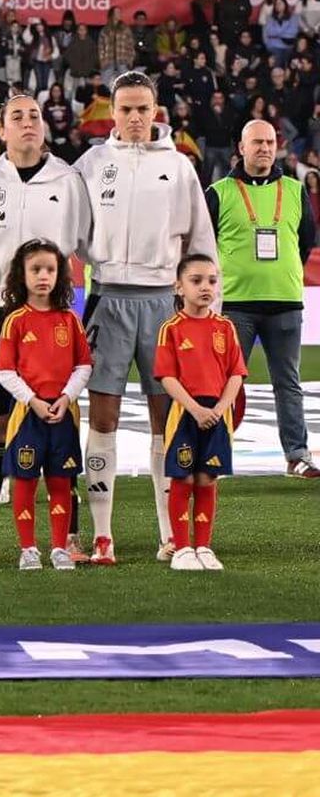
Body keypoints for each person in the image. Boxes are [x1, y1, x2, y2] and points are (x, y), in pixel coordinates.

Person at [75, 72, 216, 566]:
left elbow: (200, 242)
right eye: (126, 109)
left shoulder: (178, 167)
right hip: (108, 299)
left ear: (157, 112)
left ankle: (169, 532)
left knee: (166, 419)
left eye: (144, 109)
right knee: (104, 417)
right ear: (111, 112)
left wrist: (208, 314)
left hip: (162, 304)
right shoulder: (91, 164)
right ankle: (101, 534)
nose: (136, 118)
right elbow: (69, 233)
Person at [0, 95, 91, 564]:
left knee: (58, 420)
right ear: (1, 130)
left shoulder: (69, 180)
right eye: (17, 116)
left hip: (52, 317)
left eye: (34, 115)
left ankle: (67, 536)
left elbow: (81, 243)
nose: (28, 122)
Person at [206, 119, 317, 479]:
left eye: (270, 142)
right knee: (222, 383)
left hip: (285, 302)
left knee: (288, 382)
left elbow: (304, 242)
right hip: (235, 305)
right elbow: (204, 248)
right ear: (241, 147)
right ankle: (217, 454)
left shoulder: (295, 190)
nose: (265, 148)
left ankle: (297, 455)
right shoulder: (219, 192)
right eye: (257, 142)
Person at [0, 240, 93, 572]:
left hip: (64, 414)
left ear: (60, 275)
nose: (43, 276)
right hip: (28, 416)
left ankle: (60, 548)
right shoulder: (15, 321)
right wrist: (33, 401)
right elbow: (5, 371)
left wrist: (66, 398)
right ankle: (28, 548)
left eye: (50, 270)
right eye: (35, 270)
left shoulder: (69, 319)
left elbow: (84, 365)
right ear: (22, 275)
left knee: (61, 482)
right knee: (25, 481)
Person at [155, 254, 246, 572]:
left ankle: (204, 546)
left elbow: (236, 373)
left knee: (207, 478)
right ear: (179, 287)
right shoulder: (172, 329)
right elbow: (167, 377)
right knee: (183, 478)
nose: (205, 287)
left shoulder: (225, 327)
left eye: (211, 280)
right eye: (196, 281)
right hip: (184, 414)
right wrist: (194, 408)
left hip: (218, 415)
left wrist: (220, 409)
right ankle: (181, 548)